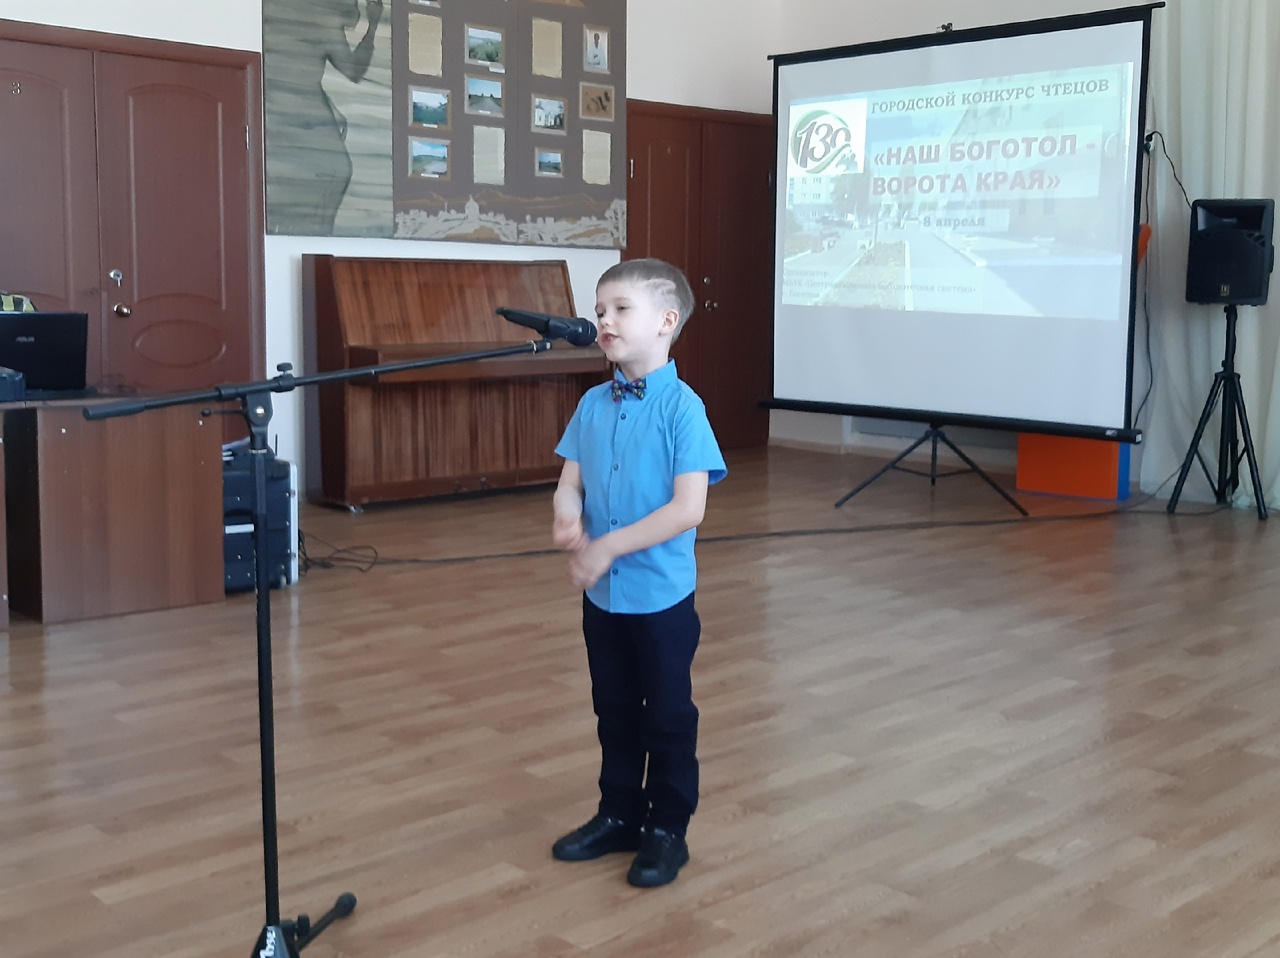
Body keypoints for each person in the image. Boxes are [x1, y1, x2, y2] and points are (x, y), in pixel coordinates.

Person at [550, 258, 727, 888]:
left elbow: (688, 508)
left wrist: (607, 547)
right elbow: (569, 483)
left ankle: (667, 829)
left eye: (621, 309)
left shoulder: (684, 409)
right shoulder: (593, 403)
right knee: (614, 708)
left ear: (666, 321)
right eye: (600, 310)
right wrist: (568, 515)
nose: (604, 320)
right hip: (604, 598)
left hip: (660, 599)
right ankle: (620, 814)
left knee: (667, 716)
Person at [263, 0, 383, 235]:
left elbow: (297, 71)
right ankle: (320, 235)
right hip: (297, 110)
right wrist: (373, 25)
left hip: (281, 104)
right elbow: (354, 70)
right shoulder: (323, 23)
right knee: (338, 170)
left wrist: (327, 103)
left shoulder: (279, 13)